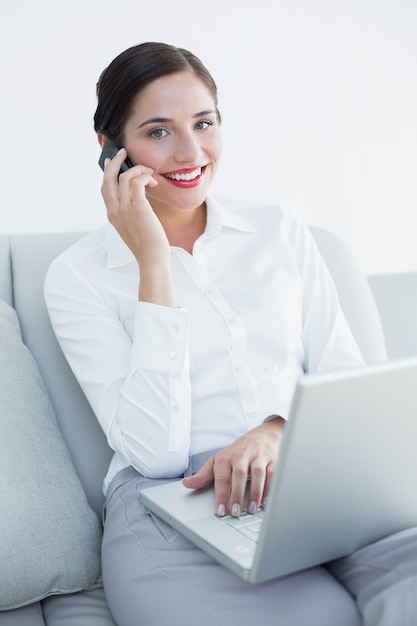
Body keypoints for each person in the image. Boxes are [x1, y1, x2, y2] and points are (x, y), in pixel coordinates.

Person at [45, 42, 417, 626]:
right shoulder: (77, 276)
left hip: (313, 475)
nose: (191, 152)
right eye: (159, 132)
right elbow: (157, 454)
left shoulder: (279, 230)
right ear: (111, 151)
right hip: (173, 504)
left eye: (204, 123)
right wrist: (154, 265)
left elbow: (344, 376)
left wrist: (275, 429)